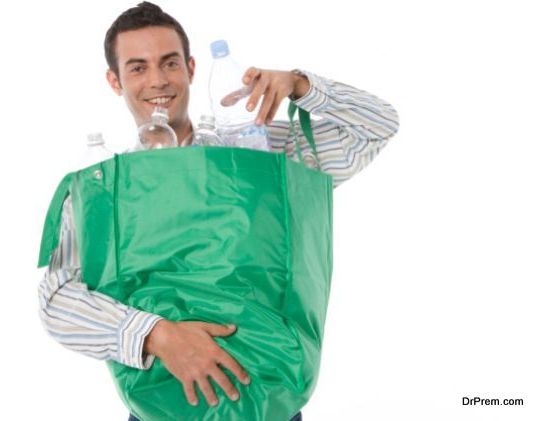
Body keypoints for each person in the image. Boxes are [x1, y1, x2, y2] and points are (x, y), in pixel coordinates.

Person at [37, 2, 399, 420]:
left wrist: (300, 86)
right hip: (161, 407)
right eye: (137, 68)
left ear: (191, 68)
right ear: (114, 81)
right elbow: (56, 300)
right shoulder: (103, 190)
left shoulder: (260, 153)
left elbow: (377, 126)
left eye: (169, 63)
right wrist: (156, 335)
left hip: (269, 400)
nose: (157, 80)